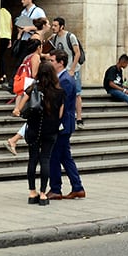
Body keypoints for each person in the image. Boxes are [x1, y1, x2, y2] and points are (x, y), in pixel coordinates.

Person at [11, 60, 63, 206]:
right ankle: (42, 194)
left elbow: (21, 104)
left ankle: (32, 192)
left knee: (33, 159)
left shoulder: (33, 88)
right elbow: (60, 114)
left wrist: (17, 111)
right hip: (50, 130)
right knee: (45, 159)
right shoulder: (59, 92)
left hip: (34, 128)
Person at [47, 50, 85, 200]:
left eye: (52, 61)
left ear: (60, 63)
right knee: (65, 156)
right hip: (63, 124)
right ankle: (77, 187)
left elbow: (62, 104)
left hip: (63, 124)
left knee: (55, 156)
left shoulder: (65, 80)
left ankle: (56, 189)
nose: (50, 63)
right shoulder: (61, 78)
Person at [5, 38, 42, 154]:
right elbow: (35, 74)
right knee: (35, 118)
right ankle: (14, 139)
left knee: (33, 119)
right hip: (32, 89)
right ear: (38, 47)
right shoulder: (36, 57)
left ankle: (14, 139)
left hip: (25, 87)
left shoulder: (27, 57)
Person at [47, 17, 84, 127]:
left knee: (76, 93)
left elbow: (77, 53)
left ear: (62, 26)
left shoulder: (70, 37)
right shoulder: (54, 38)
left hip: (72, 69)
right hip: (60, 69)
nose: (53, 28)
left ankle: (79, 117)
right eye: (52, 25)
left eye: (55, 26)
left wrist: (72, 69)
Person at [8, 0, 46, 73]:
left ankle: (14, 81)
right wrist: (20, 31)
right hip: (23, 39)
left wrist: (30, 28)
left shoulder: (38, 11)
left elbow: (45, 25)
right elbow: (20, 24)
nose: (22, 1)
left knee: (23, 60)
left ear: (30, 0)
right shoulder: (23, 12)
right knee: (19, 60)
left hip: (33, 40)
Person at [0, 6, 14, 82]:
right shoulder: (8, 13)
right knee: (2, 56)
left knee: (0, 57)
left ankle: (2, 74)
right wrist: (10, 39)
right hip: (7, 37)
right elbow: (11, 26)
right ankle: (3, 74)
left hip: (0, 36)